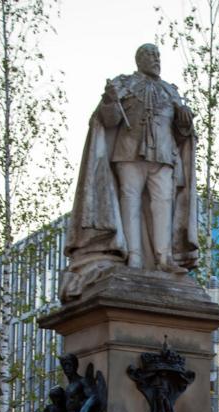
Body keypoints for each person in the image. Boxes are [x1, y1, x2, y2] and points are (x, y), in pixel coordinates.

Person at [61, 44, 198, 300]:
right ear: (139, 60)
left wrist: (184, 120)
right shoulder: (123, 84)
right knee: (130, 201)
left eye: (158, 56)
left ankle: (164, 258)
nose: (156, 60)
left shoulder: (171, 92)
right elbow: (109, 119)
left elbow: (182, 133)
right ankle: (133, 257)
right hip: (129, 152)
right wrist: (110, 101)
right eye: (150, 56)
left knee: (162, 206)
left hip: (164, 157)